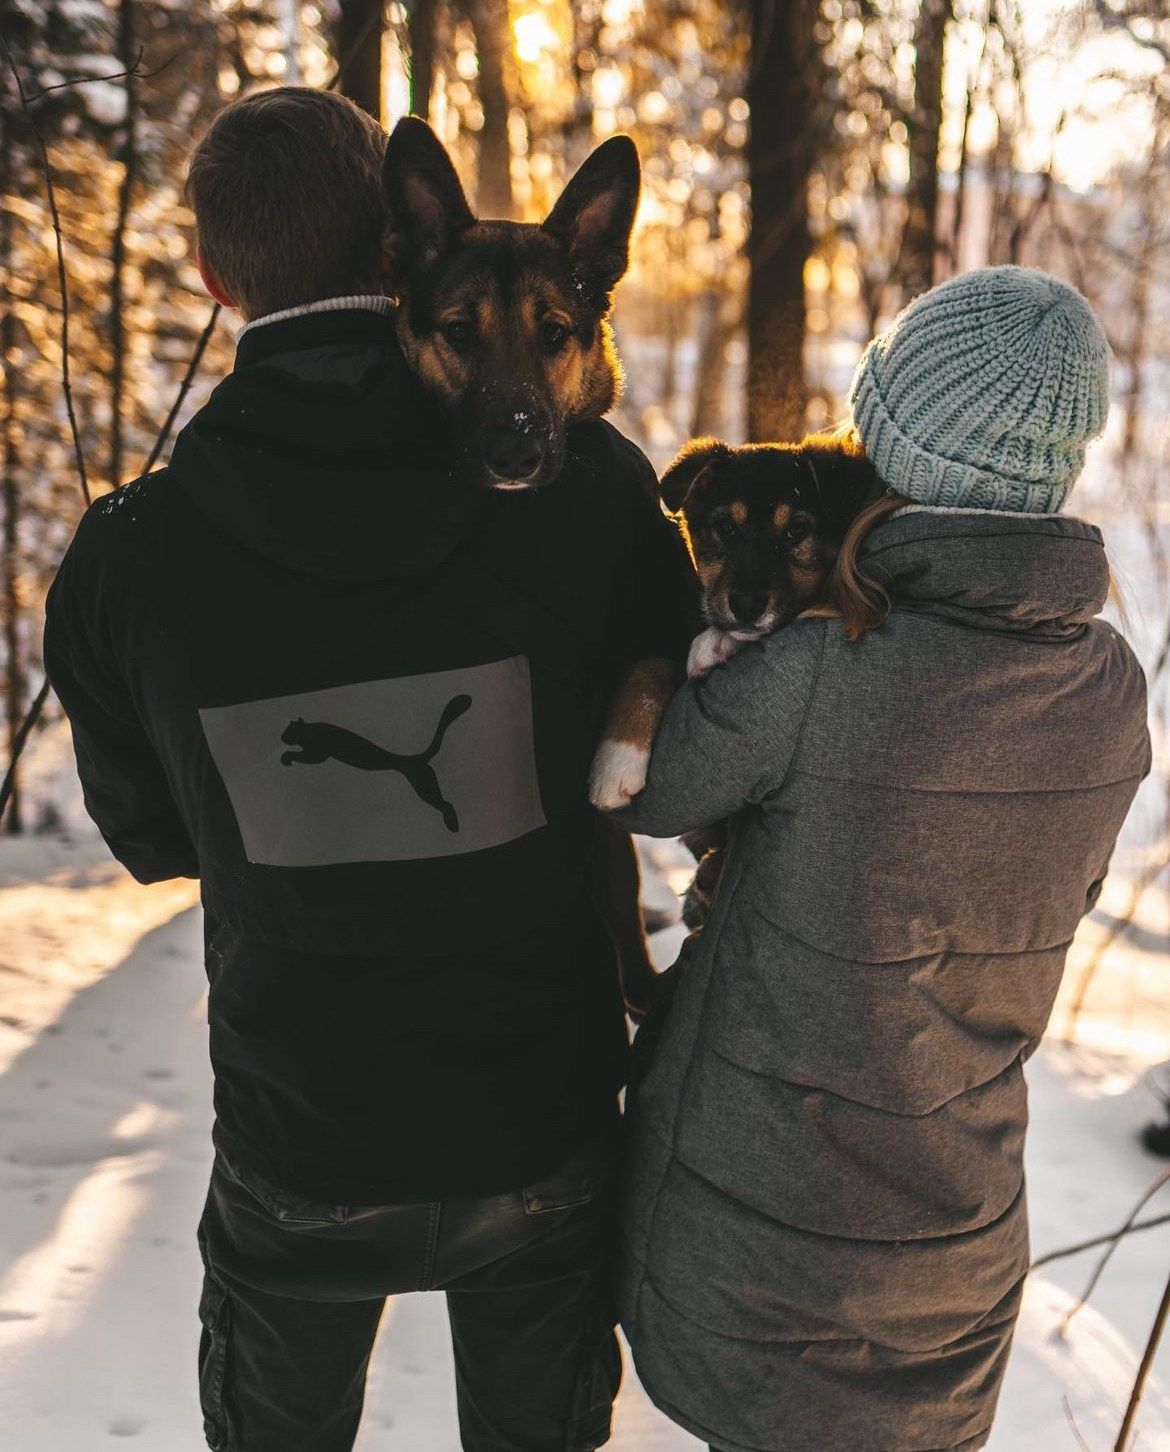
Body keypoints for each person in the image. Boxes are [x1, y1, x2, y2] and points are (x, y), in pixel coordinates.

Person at [43, 87, 696, 1452]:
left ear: (212, 273)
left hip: (305, 1145)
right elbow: (683, 761)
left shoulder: (127, 555)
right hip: (542, 1131)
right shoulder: (591, 492)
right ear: (390, 249)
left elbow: (156, 841)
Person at [609, 267, 1151, 1452]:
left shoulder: (818, 669)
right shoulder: (1113, 688)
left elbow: (645, 794)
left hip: (768, 1244)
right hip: (960, 1234)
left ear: (885, 446)